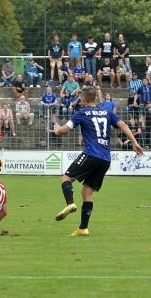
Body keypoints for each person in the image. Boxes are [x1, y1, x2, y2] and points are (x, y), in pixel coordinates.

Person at [53, 86, 144, 236]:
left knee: (66, 178)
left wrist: (57, 129)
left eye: (80, 97)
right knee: (87, 193)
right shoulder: (107, 112)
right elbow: (122, 124)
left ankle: (69, 204)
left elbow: (64, 130)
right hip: (105, 159)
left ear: (82, 98)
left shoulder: (81, 113)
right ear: (95, 98)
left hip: (91, 154)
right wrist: (134, 142)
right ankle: (83, 228)